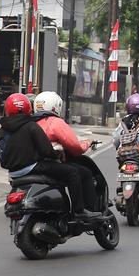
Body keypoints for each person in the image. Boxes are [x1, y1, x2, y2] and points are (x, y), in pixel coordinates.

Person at [0, 93, 103, 221]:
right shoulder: (31, 126)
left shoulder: (2, 130)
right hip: (32, 167)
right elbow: (46, 150)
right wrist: (57, 155)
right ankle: (79, 211)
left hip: (13, 173)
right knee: (72, 173)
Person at [32, 91, 104, 219]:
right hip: (52, 163)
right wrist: (86, 144)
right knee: (84, 173)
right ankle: (82, 210)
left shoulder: (30, 123)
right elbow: (74, 147)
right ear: (55, 106)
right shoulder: (55, 122)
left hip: (33, 164)